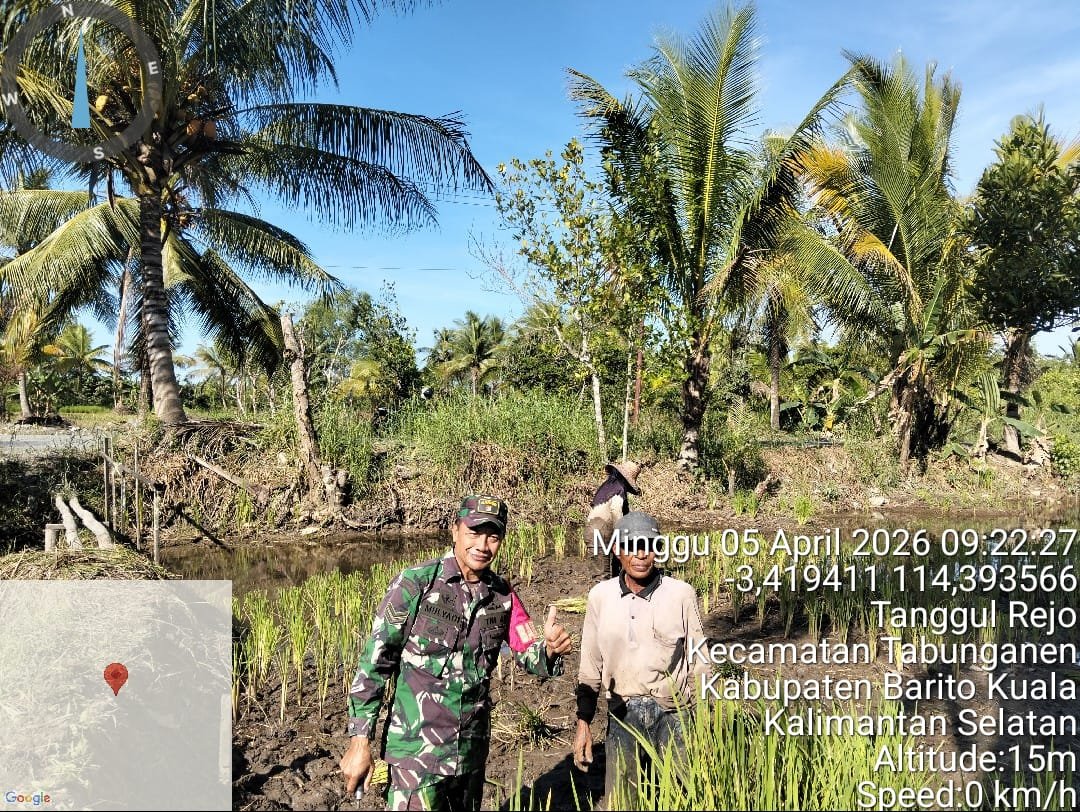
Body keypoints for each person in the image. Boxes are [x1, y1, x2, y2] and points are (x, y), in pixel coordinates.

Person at [340, 494, 573, 811]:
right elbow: (374, 665)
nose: (483, 545)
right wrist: (359, 741)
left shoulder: (502, 595)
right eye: (474, 532)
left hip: (469, 758)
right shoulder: (416, 584)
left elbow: (530, 653)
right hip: (416, 757)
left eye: (493, 536)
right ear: (455, 530)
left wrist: (549, 650)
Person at [572, 510, 709, 805]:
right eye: (631, 546)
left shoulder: (681, 594)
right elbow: (590, 667)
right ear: (617, 550)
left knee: (683, 796)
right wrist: (583, 722)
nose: (641, 555)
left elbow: (700, 661)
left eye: (648, 545)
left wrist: (703, 721)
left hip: (673, 712)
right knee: (623, 800)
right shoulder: (600, 597)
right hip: (623, 712)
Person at [583, 461, 641, 577]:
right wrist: (621, 535)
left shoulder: (607, 486)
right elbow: (616, 511)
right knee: (602, 574)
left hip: (592, 531)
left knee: (603, 570)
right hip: (601, 532)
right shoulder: (619, 488)